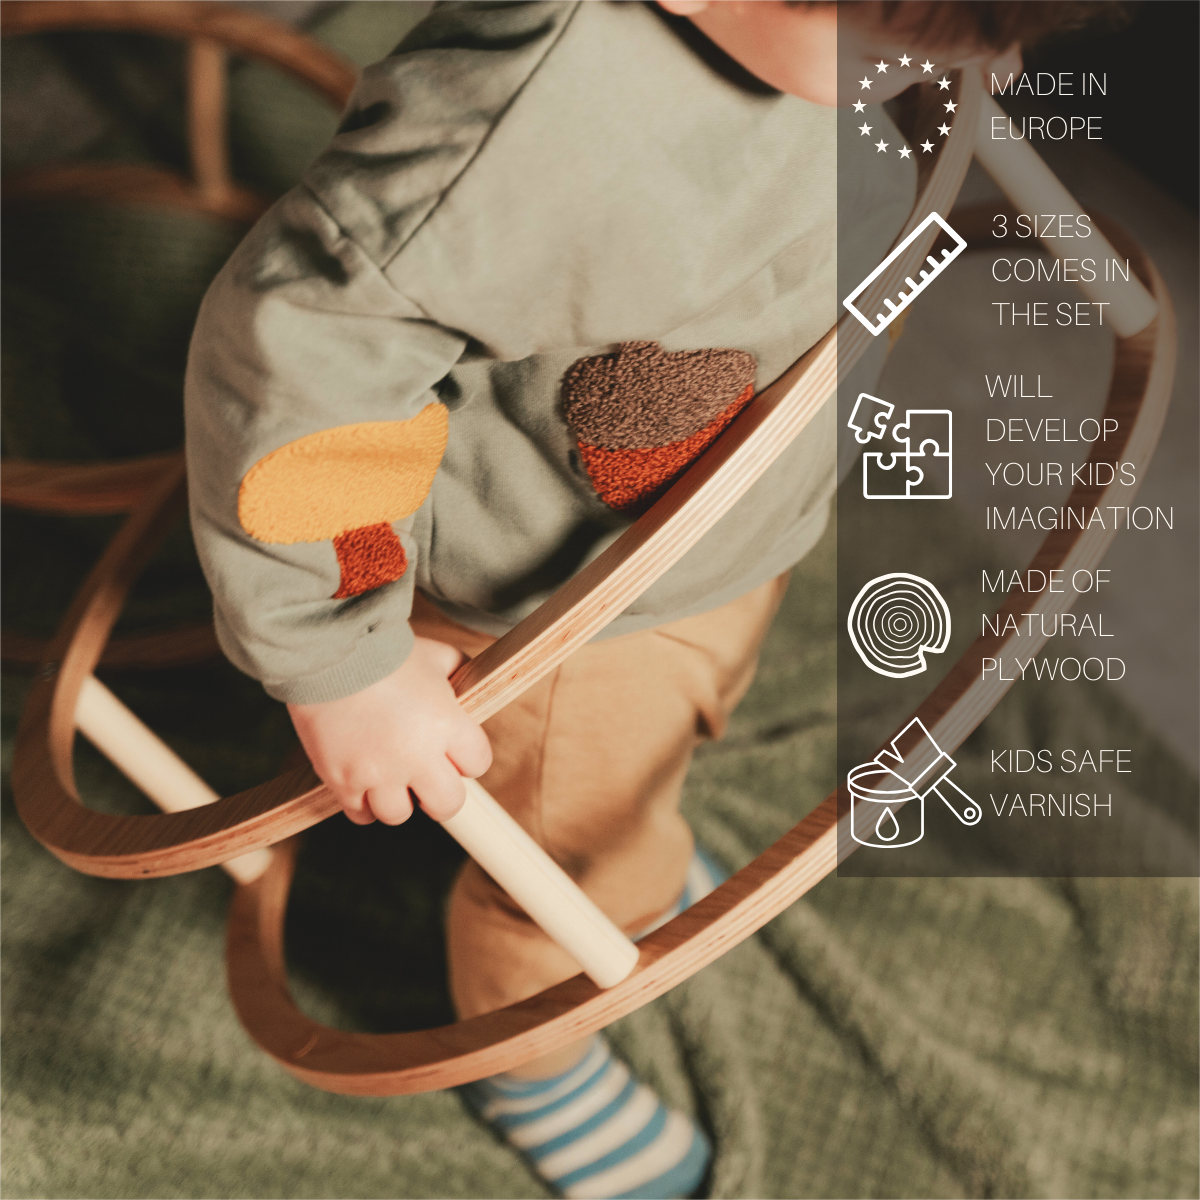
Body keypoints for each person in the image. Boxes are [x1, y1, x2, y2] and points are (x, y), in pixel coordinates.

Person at [185, 3, 1118, 1195]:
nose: (963, 72)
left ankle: (645, 801)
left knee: (688, 700)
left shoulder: (871, 57)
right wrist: (342, 658)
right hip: (559, 607)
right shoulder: (527, 128)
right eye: (898, 32)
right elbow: (290, 362)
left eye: (990, 37)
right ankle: (536, 1064)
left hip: (713, 520)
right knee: (574, 856)